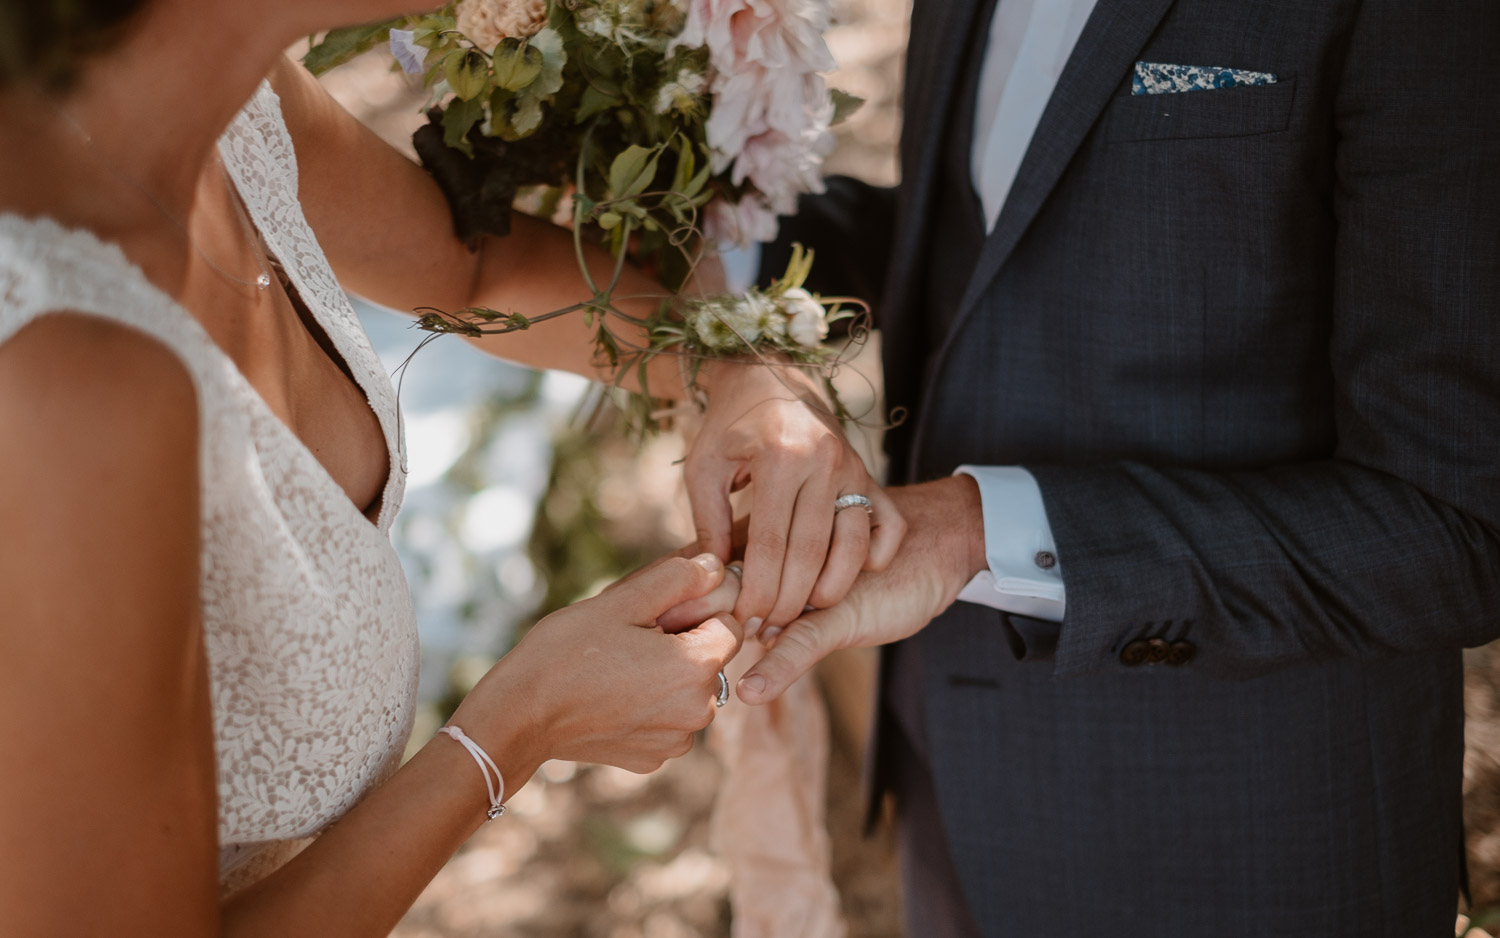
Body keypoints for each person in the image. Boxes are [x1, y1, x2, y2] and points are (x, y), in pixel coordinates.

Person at [0, 0, 903, 932]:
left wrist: (732, 369)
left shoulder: (231, 106)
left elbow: (476, 276)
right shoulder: (61, 371)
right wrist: (517, 726)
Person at [735, 0, 1500, 935]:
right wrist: (711, 258)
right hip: (949, 784)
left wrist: (975, 534)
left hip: (1239, 846)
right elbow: (1001, 236)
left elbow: (1457, 522)